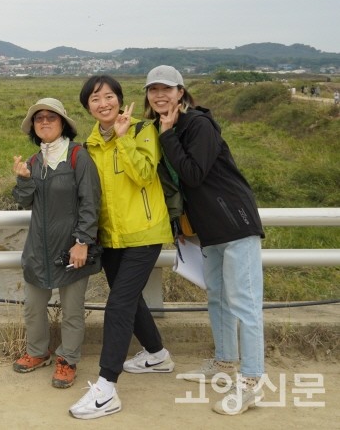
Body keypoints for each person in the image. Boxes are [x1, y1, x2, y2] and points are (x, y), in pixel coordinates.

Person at [144, 65, 266, 416]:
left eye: (167, 89)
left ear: (180, 92)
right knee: (218, 297)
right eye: (153, 89)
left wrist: (168, 135)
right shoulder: (163, 127)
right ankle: (225, 362)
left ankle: (252, 380)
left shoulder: (198, 124)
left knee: (244, 303)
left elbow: (194, 174)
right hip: (208, 228)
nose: (160, 95)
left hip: (235, 222)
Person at [68, 75, 176, 420]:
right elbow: (88, 196)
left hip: (144, 232)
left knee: (118, 304)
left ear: (120, 99)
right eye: (95, 99)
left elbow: (144, 174)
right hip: (110, 237)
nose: (104, 104)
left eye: (109, 96)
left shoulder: (143, 130)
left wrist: (123, 136)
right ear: (88, 107)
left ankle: (106, 388)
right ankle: (157, 355)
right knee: (129, 299)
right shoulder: (88, 146)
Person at [12, 98, 101, 389]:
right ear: (33, 127)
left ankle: (68, 359)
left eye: (51, 117)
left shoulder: (78, 156)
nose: (45, 122)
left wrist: (83, 241)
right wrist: (23, 179)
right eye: (39, 119)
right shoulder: (34, 161)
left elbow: (90, 201)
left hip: (71, 248)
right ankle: (38, 352)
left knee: (72, 310)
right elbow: (24, 201)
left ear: (63, 123)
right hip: (38, 250)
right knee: (33, 307)